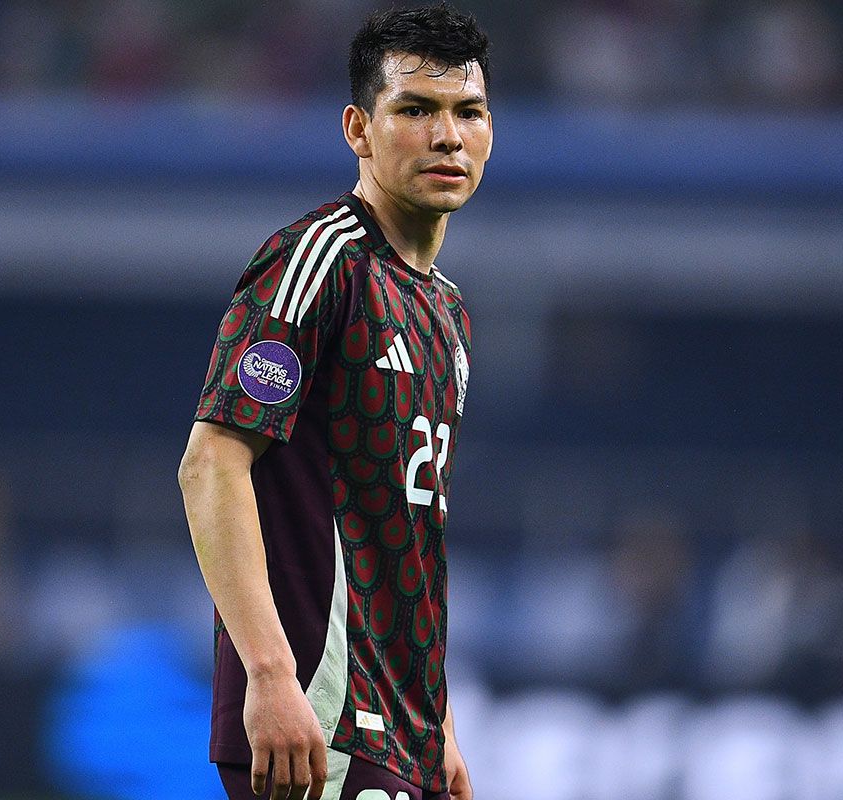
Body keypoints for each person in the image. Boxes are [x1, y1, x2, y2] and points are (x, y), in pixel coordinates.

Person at [178, 5, 491, 800]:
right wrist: (269, 675)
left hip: (404, 732)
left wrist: (440, 721)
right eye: (415, 110)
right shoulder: (320, 262)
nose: (447, 137)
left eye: (468, 112)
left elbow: (406, 537)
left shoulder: (447, 313)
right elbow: (212, 463)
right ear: (359, 129)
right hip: (322, 719)